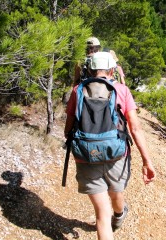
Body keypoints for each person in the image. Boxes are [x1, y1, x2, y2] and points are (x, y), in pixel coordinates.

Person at [64, 52, 156, 240]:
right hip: (116, 156)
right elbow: (136, 128)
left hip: (86, 156)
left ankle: (115, 215)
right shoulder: (122, 90)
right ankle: (120, 214)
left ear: (88, 69)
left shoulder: (77, 90)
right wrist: (147, 161)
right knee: (116, 195)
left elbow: (68, 128)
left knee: (101, 215)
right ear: (113, 70)